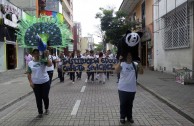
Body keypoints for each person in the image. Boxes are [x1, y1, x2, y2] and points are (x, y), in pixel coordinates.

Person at [115, 52, 143, 124]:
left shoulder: (135, 64)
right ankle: (122, 117)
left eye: (130, 55)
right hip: (122, 88)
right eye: (127, 55)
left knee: (130, 104)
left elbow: (141, 72)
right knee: (123, 103)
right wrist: (120, 61)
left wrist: (139, 62)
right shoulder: (122, 64)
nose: (129, 57)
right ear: (125, 56)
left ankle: (129, 117)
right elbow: (116, 71)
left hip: (132, 88)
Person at [27, 49, 52, 118]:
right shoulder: (30, 63)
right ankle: (40, 113)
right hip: (36, 84)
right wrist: (30, 82)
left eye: (37, 53)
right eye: (34, 53)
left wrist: (47, 57)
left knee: (45, 97)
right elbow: (29, 73)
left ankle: (46, 109)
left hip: (45, 82)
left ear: (39, 54)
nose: (36, 54)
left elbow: (50, 65)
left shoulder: (43, 60)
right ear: (32, 54)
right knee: (38, 98)